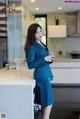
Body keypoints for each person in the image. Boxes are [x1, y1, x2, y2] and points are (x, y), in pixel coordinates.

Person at [24, 23, 54, 119]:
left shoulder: (41, 44)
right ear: (32, 34)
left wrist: (49, 60)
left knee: (45, 101)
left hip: (45, 74)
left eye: (40, 31)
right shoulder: (32, 47)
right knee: (49, 102)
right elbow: (30, 64)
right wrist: (45, 59)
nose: (40, 34)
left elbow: (43, 60)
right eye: (37, 32)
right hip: (42, 77)